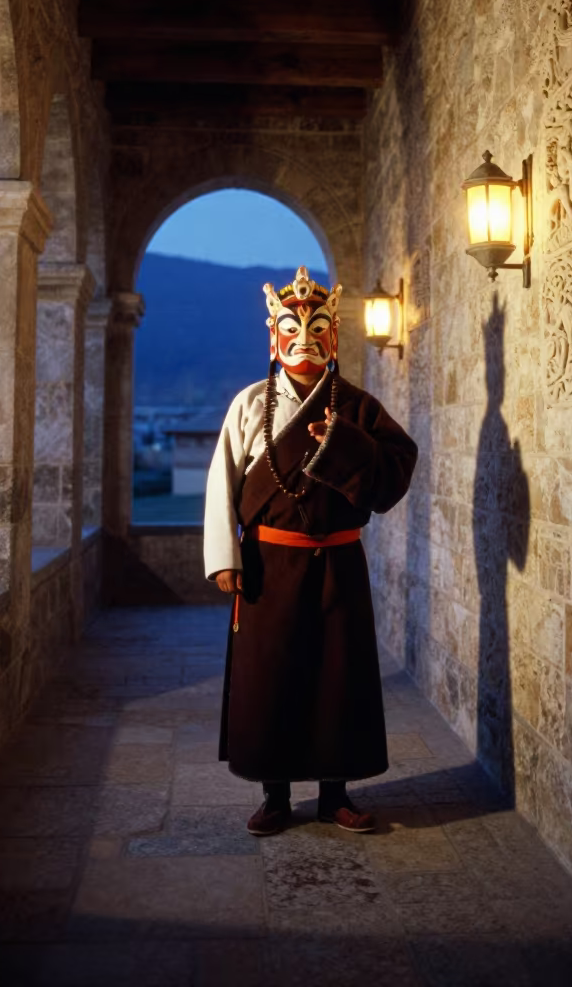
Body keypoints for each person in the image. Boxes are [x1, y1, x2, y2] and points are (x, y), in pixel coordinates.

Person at [203, 266, 417, 836]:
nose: (304, 339)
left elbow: (397, 470)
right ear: (272, 336)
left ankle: (335, 794)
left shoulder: (356, 406)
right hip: (268, 566)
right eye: (291, 328)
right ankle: (276, 796)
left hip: (338, 563)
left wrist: (343, 443)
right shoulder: (249, 406)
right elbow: (222, 482)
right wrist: (225, 556)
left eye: (316, 327)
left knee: (336, 679)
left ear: (333, 337)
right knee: (274, 676)